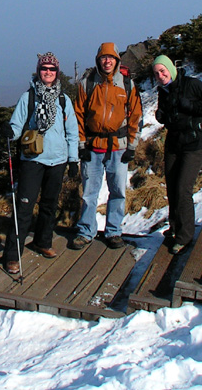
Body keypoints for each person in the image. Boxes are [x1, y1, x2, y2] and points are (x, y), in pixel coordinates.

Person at [1, 52, 80, 275]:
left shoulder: (64, 100)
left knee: (49, 204)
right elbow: (17, 125)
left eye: (52, 69)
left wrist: (73, 160)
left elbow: (72, 132)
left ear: (57, 72)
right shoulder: (29, 97)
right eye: (44, 68)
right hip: (33, 159)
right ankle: (12, 256)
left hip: (58, 159)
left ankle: (42, 242)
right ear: (38, 71)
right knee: (24, 207)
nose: (48, 72)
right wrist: (10, 132)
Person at [71, 42, 143, 250]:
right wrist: (81, 145)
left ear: (117, 60)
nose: (107, 61)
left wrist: (131, 145)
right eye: (104, 58)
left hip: (118, 147)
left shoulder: (127, 85)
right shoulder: (87, 84)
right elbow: (78, 116)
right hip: (93, 147)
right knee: (89, 193)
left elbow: (136, 116)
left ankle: (113, 231)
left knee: (118, 191)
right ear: (98, 60)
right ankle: (86, 231)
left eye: (111, 58)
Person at [153, 54, 202, 254]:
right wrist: (161, 116)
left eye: (163, 71)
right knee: (172, 185)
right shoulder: (163, 91)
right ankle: (175, 226)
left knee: (183, 188)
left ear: (171, 70)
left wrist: (192, 106)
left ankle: (185, 236)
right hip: (174, 142)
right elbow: (168, 115)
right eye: (157, 73)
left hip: (194, 143)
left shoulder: (191, 85)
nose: (160, 75)